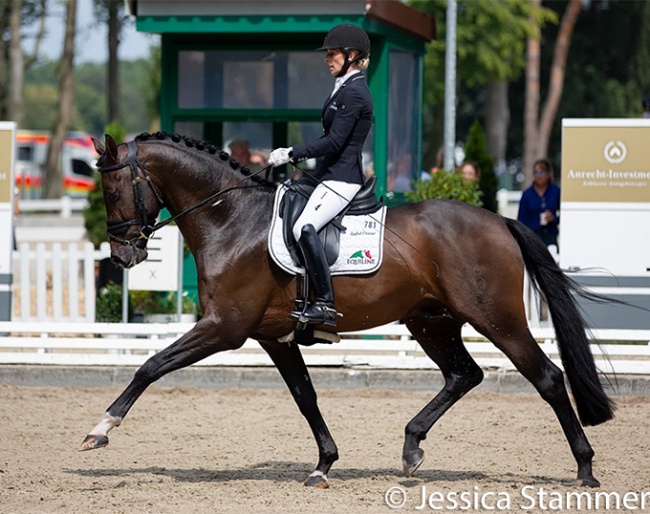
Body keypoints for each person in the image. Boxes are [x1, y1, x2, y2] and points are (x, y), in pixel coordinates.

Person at [268, 24, 372, 328]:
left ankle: (325, 303)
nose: (327, 59)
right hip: (327, 174)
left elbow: (335, 142)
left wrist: (292, 153)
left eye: (332, 54)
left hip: (343, 178)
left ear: (351, 55)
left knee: (304, 227)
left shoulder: (355, 93)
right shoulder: (343, 87)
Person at [517, 158, 560, 248]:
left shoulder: (556, 192)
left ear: (548, 174)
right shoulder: (527, 194)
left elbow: (565, 215)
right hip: (531, 238)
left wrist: (554, 218)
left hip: (550, 236)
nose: (539, 175)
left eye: (542, 172)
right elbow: (521, 219)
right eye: (536, 172)